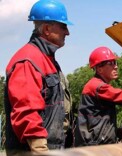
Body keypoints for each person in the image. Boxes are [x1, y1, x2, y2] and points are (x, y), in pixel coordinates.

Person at [4, 0, 73, 155]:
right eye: (63, 26)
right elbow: (26, 111)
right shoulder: (28, 61)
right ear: (47, 29)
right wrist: (40, 149)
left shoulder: (47, 59)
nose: (67, 32)